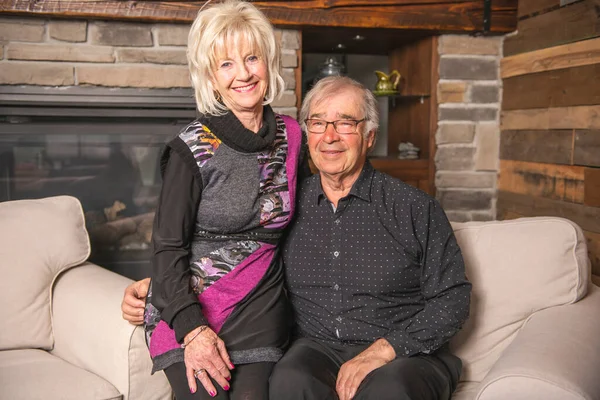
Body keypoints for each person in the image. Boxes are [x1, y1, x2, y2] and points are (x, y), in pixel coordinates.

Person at [123, 76, 471, 400]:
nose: (329, 136)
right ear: (307, 136)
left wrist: (382, 350)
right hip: (317, 350)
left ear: (369, 136)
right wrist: (163, 285)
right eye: (318, 123)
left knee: (389, 389)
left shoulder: (414, 208)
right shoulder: (288, 207)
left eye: (345, 123)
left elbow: (452, 298)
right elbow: (245, 253)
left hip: (402, 354)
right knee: (289, 380)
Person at [140, 1, 307, 399]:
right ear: (211, 77)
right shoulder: (191, 149)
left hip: (259, 307)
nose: (244, 74)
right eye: (226, 64)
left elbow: (315, 218)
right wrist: (192, 327)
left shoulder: (294, 136)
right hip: (191, 309)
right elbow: (167, 246)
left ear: (269, 63)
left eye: (252, 58)